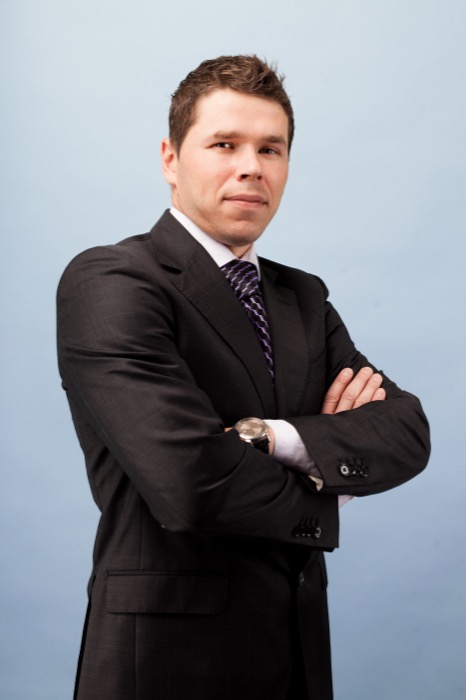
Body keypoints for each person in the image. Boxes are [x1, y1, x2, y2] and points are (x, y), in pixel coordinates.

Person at [57, 55, 430, 700]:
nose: (252, 166)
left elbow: (406, 431)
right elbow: (189, 481)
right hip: (168, 664)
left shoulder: (302, 298)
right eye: (224, 144)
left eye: (271, 149)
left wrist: (270, 438)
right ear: (171, 158)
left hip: (296, 656)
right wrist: (327, 473)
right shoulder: (114, 280)